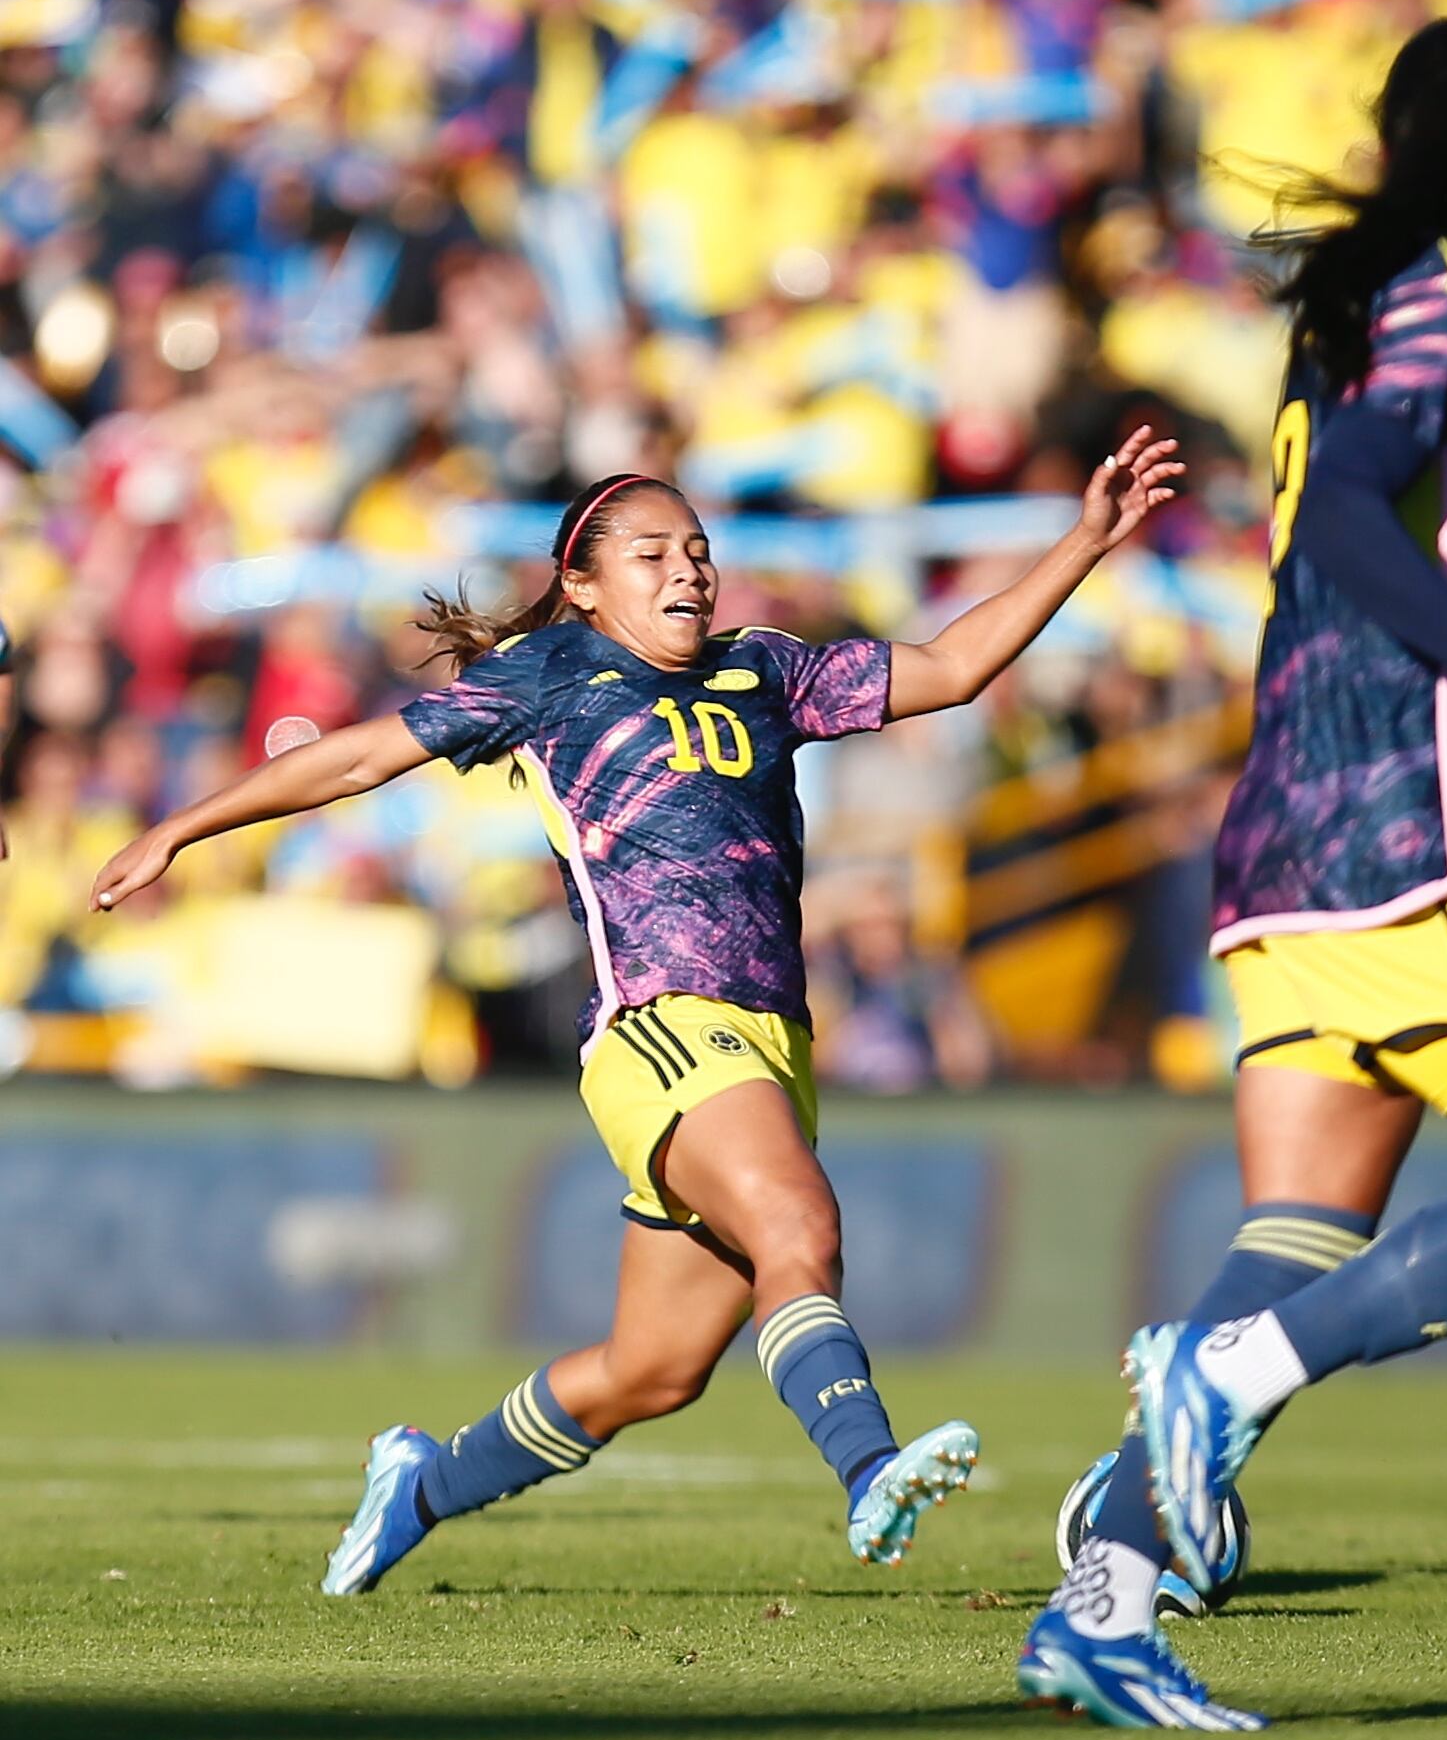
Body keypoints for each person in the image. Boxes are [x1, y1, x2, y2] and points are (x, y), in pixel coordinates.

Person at [91, 435, 1185, 1596]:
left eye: (700, 551)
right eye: (654, 551)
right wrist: (180, 826)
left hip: (770, 1035)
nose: (689, 571)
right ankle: (870, 1470)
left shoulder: (765, 668)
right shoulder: (552, 676)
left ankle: (420, 1479)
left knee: (650, 1371)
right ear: (582, 582)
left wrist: (1084, 539)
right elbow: (360, 759)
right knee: (796, 1230)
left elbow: (953, 666)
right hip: (659, 1024)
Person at [1018, 20, 1447, 1734]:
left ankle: (1105, 1599)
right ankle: (1226, 1375)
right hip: (1398, 846)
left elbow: (1357, 576)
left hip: (1284, 842)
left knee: (1297, 1237)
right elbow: (1353, 534)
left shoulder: (1347, 314)